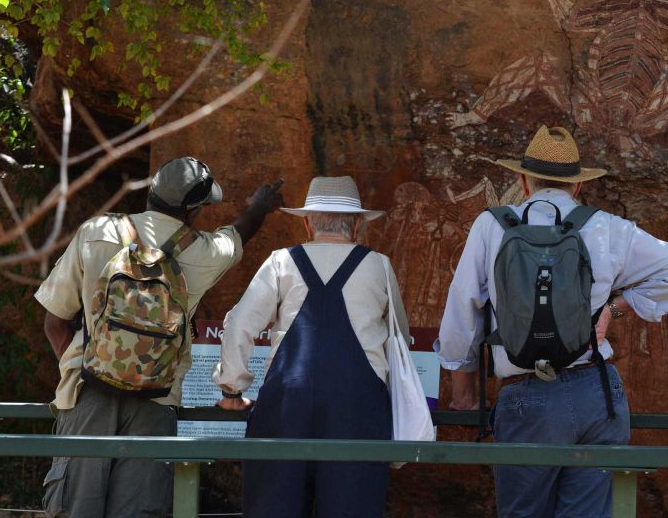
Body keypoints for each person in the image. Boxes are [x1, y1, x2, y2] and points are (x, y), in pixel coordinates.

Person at [436, 126, 668, 518]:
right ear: (577, 187)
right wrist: (616, 307)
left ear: (523, 182)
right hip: (596, 390)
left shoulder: (491, 225)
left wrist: (462, 394)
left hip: (526, 395)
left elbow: (463, 310)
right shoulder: (608, 227)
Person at [36, 157, 283, 518]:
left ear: (150, 191)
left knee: (73, 508)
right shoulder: (204, 254)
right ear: (195, 211)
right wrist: (259, 208)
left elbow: (54, 322)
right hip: (156, 401)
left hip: (86, 394)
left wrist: (88, 368)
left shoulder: (96, 232)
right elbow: (239, 233)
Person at [213, 175, 409, 518]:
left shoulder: (281, 262)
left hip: (287, 405)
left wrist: (233, 388)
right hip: (358, 409)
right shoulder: (379, 266)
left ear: (306, 223)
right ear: (358, 226)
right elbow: (399, 341)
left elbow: (240, 322)